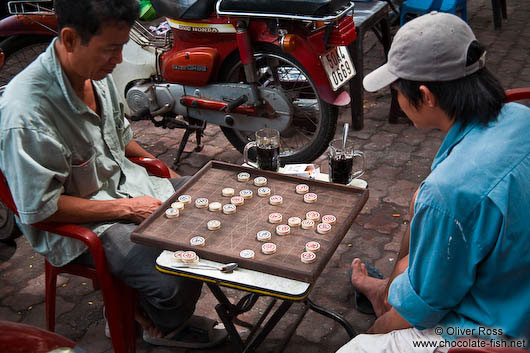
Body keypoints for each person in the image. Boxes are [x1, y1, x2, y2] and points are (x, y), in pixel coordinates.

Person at [0, 0, 225, 348]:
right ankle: (159, 324)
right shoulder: (26, 114)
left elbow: (121, 140)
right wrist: (127, 209)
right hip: (84, 223)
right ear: (71, 39)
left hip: (127, 188)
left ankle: (141, 303)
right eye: (111, 50)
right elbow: (40, 208)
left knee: (211, 204)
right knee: (175, 278)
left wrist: (170, 174)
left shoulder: (93, 72)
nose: (118, 60)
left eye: (122, 48)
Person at [338, 12, 530, 353]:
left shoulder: (449, 192)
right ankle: (383, 292)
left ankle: (383, 301)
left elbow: (423, 310)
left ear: (425, 96)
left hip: (500, 333)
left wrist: (374, 333)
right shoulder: (520, 116)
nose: (397, 100)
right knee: (417, 221)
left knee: (359, 346)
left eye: (397, 91)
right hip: (513, 281)